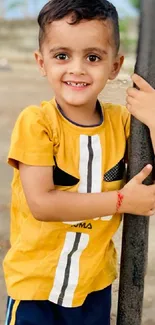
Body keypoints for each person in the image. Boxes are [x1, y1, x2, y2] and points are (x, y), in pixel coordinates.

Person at [3, 0, 155, 324]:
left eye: (93, 57)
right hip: (36, 289)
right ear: (41, 62)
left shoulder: (123, 124)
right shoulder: (37, 123)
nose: (77, 69)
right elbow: (43, 204)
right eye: (62, 56)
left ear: (115, 66)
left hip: (93, 288)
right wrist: (121, 201)